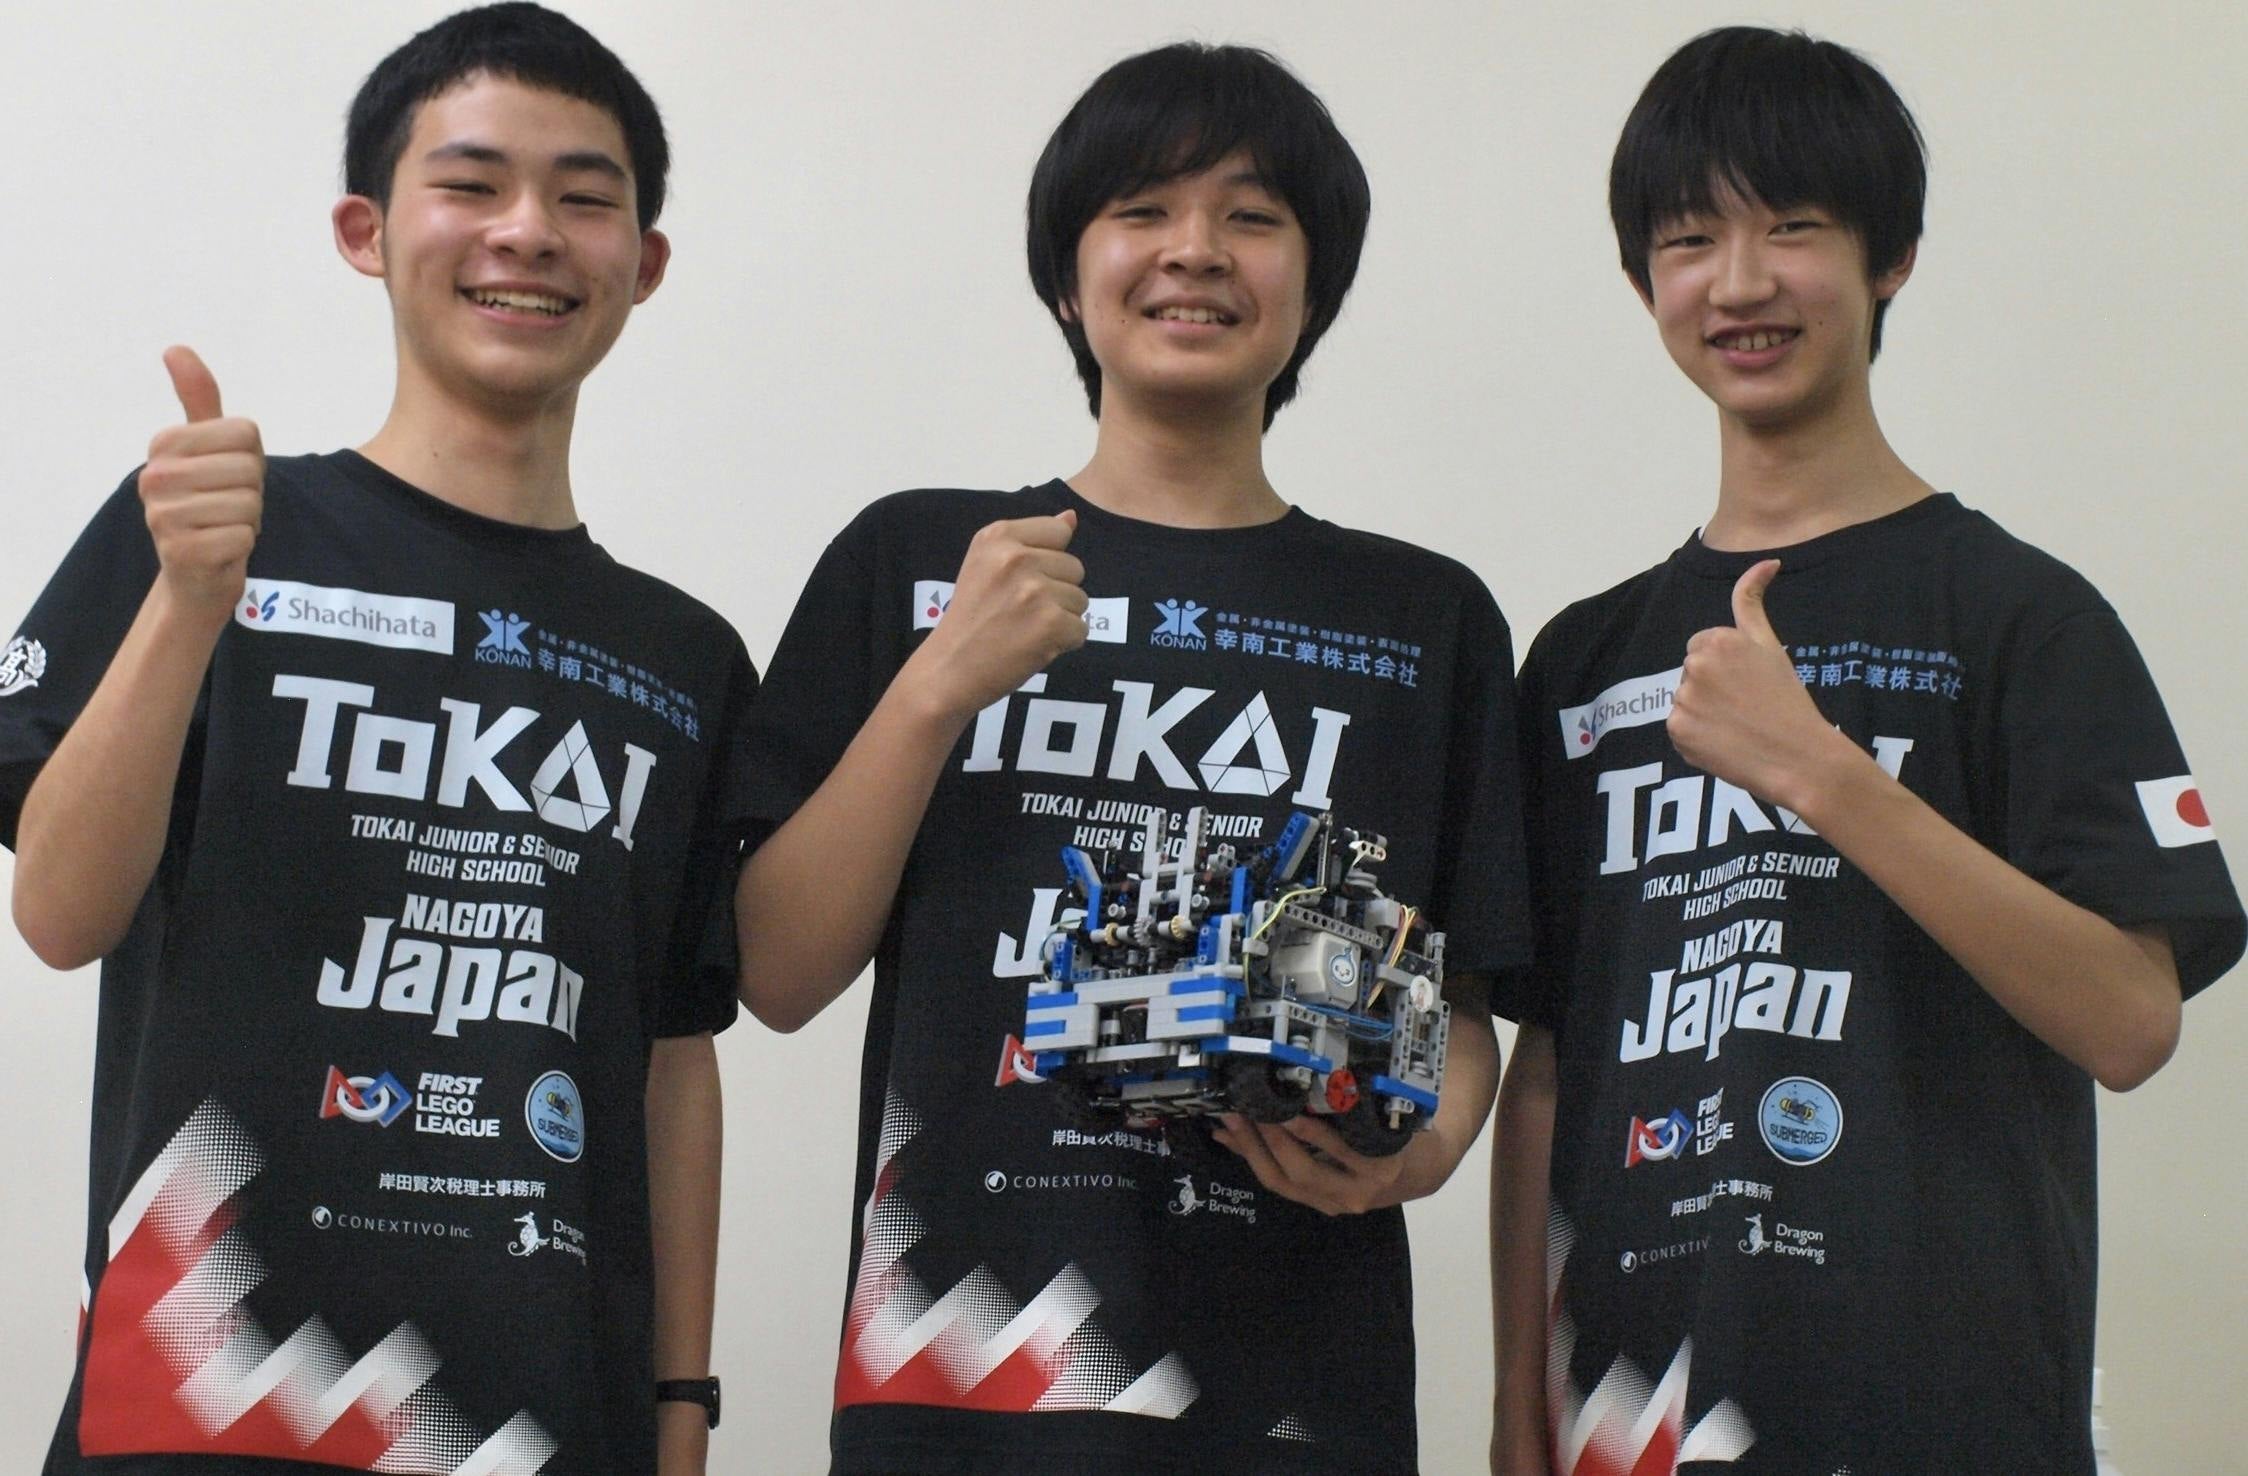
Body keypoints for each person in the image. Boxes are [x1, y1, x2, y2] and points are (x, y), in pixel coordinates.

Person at [735, 41, 1530, 1475]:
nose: (1194, 252)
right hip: (960, 1373)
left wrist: (1422, 1149)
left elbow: (1458, 1002)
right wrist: (940, 685)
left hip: (1295, 1387)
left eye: (1251, 217)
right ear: (1067, 275)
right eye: (1142, 210)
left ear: (1316, 287)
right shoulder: (924, 560)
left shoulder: (1423, 619)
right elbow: (776, 973)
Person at [1486, 26, 2246, 1476]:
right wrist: (1518, 1412)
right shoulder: (1585, 659)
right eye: (1690, 239)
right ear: (1645, 281)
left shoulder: (2019, 615)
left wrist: (1824, 775)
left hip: (1945, 1414)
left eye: (1793, 228)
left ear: (1890, 258)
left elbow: (2131, 1021)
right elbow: (1551, 1065)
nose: (1740, 282)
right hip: (1634, 1420)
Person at [0, 6, 746, 1471]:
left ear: (644, 264)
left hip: (536, 1419)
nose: (527, 231)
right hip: (203, 1403)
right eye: (470, 183)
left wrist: (683, 1412)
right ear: (367, 229)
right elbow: (61, 913)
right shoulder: (213, 531)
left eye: (583, 197)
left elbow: (673, 1055)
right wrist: (191, 601)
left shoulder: (684, 659)